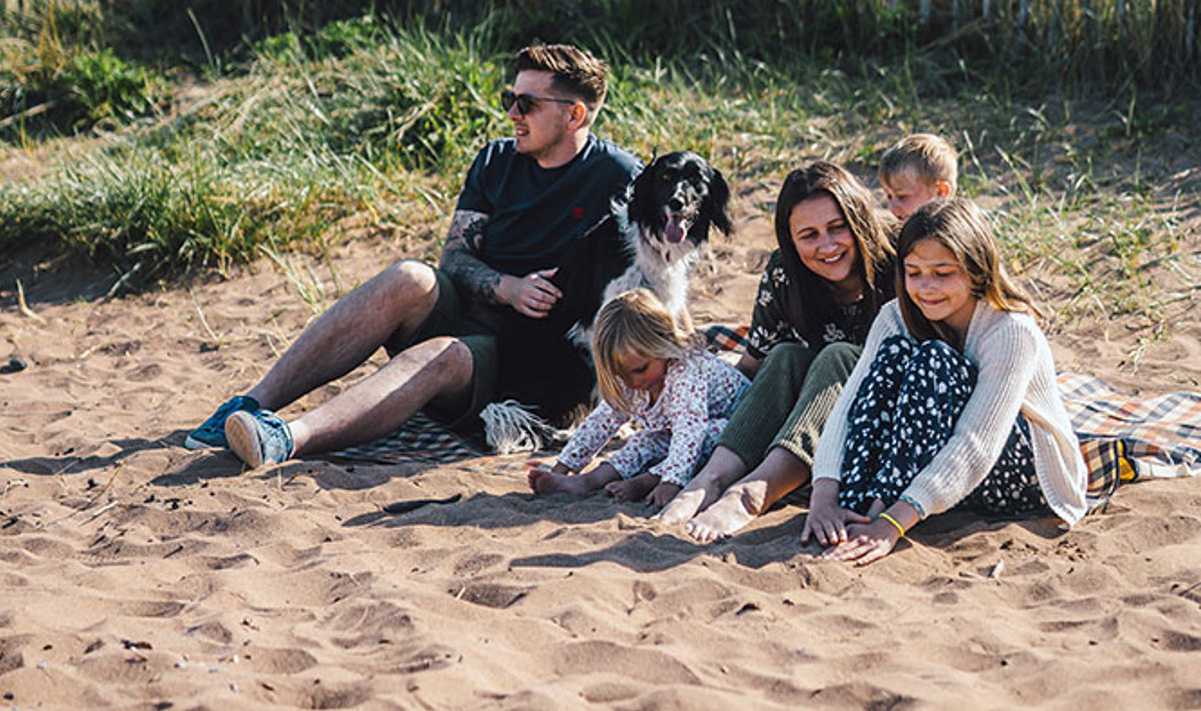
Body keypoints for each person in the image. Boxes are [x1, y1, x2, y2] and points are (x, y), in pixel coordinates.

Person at [186, 44, 642, 469]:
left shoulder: (619, 178)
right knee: (410, 277)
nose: (511, 114)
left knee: (445, 354)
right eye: (510, 98)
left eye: (527, 104)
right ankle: (251, 404)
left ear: (574, 115)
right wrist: (508, 287)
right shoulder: (495, 160)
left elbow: (649, 281)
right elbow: (456, 261)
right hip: (474, 308)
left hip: (525, 355)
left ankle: (285, 439)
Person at [803, 198, 1087, 565]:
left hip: (1024, 478)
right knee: (893, 357)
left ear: (977, 271)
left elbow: (977, 442)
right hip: (942, 470)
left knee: (932, 360)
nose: (926, 287)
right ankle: (855, 511)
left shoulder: (1011, 330)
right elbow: (850, 404)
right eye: (914, 272)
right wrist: (824, 496)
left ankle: (879, 512)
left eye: (943, 273)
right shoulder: (896, 314)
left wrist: (891, 524)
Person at [660, 161, 899, 541]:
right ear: (790, 239)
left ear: (859, 221)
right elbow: (755, 363)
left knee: (838, 354)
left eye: (838, 228)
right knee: (785, 354)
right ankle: (712, 478)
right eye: (809, 235)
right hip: (817, 409)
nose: (827, 245)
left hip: (882, 426)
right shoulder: (785, 273)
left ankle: (755, 490)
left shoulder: (898, 258)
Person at [527, 288, 754, 507]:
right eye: (621, 376)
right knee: (643, 441)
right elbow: (601, 422)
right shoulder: (633, 380)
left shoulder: (686, 372)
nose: (634, 383)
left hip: (737, 430)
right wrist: (563, 465)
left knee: (712, 434)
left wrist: (672, 481)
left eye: (641, 369)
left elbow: (690, 430)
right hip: (680, 435)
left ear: (665, 342)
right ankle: (589, 480)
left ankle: (648, 481)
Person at [878, 133, 957, 222]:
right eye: (889, 197)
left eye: (902, 197)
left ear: (940, 192)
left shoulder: (957, 233)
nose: (891, 208)